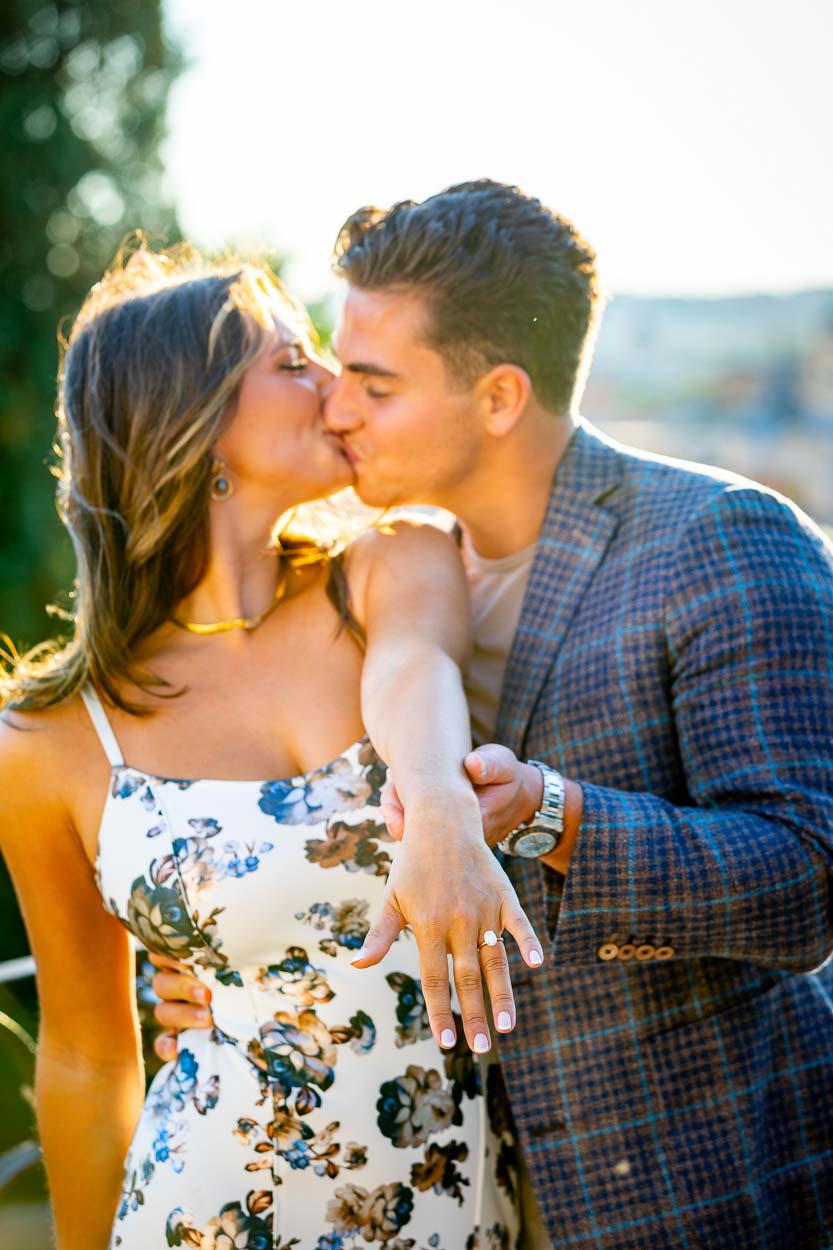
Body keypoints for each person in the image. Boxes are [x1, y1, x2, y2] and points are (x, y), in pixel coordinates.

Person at [154, 181, 833, 1249]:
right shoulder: (367, 590)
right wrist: (226, 974)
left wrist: (557, 813)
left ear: (500, 396)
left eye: (373, 387)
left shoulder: (722, 537)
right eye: (335, 372)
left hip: (690, 1195)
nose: (335, 408)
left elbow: (804, 882)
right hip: (459, 1203)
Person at [0, 243, 547, 1250]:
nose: (339, 389)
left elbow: (416, 668)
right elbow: (84, 1058)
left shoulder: (392, 564)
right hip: (201, 1203)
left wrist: (435, 805)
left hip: (455, 1211)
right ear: (192, 420)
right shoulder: (53, 736)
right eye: (294, 363)